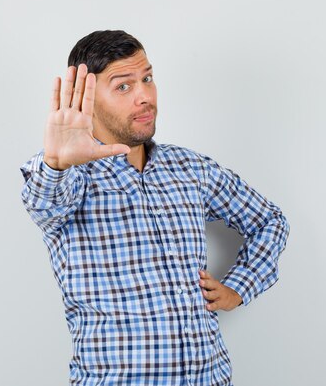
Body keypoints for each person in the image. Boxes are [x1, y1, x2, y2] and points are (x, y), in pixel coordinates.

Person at [19, 30, 290, 386]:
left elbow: (270, 221)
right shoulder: (69, 175)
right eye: (123, 86)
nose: (145, 96)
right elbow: (44, 204)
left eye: (147, 78)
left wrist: (238, 288)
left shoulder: (191, 169)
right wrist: (56, 162)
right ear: (85, 97)